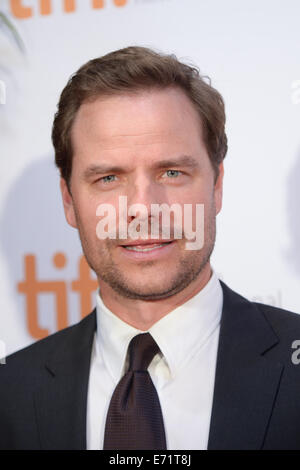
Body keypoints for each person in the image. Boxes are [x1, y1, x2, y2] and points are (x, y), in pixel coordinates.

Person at [1, 46, 300, 450]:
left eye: (172, 172)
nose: (142, 208)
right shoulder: (11, 392)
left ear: (216, 186)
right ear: (69, 201)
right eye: (108, 178)